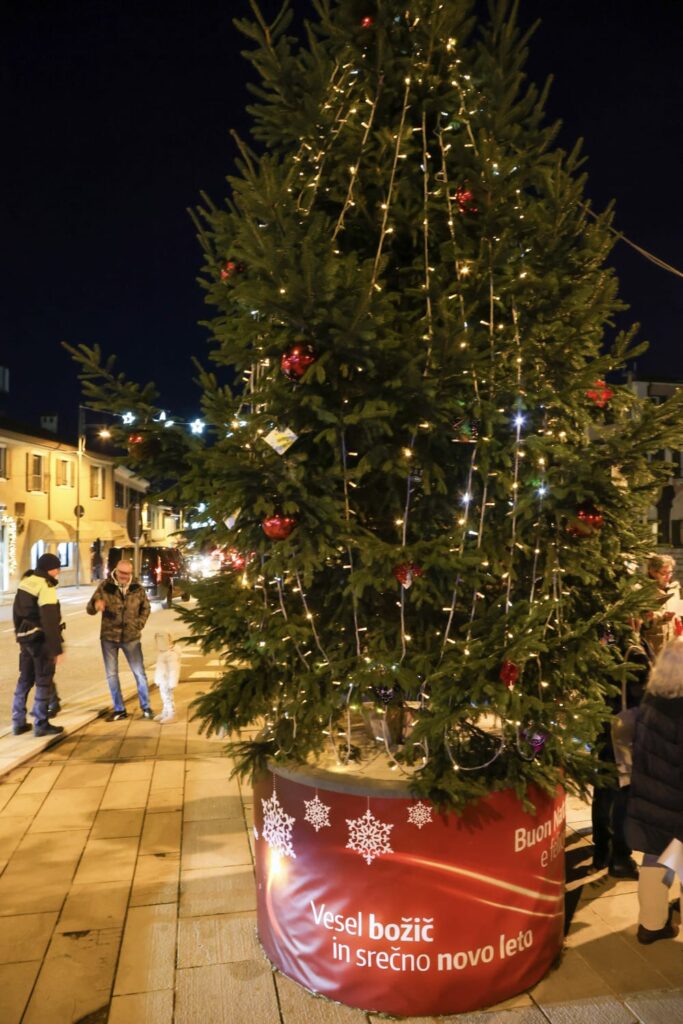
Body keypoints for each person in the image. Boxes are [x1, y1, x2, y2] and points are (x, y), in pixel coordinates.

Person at [626, 640, 683, 944]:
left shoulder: (652, 697)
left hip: (651, 794)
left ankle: (651, 924)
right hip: (676, 799)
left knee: (654, 858)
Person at [591, 623, 652, 878]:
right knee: (623, 793)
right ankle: (620, 856)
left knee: (604, 789)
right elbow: (644, 694)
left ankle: (601, 849)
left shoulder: (603, 646)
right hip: (624, 730)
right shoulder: (633, 651)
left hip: (604, 724)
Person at [87, 558, 154, 721]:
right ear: (116, 571)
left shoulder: (137, 588)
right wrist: (96, 605)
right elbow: (89, 608)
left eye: (127, 573)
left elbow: (146, 608)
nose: (124, 576)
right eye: (121, 573)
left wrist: (138, 624)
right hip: (109, 637)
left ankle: (146, 707)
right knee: (111, 674)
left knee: (139, 673)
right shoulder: (105, 586)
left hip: (131, 637)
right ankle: (119, 709)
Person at [11, 552, 65, 737]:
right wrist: (56, 649)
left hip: (25, 639)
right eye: (57, 568)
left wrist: (19, 636)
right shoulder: (45, 585)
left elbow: (16, 614)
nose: (58, 572)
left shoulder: (26, 582)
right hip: (40, 640)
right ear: (50, 569)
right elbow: (49, 620)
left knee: (25, 679)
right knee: (44, 680)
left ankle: (18, 722)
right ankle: (41, 723)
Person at [641, 554, 681, 657]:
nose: (668, 576)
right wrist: (662, 616)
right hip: (653, 643)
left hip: (673, 642)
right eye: (664, 573)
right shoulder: (642, 590)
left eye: (670, 572)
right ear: (652, 572)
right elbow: (641, 618)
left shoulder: (674, 588)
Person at [153, 631, 180, 723]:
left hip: (167, 681)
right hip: (163, 680)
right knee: (164, 697)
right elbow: (160, 668)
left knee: (168, 698)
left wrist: (172, 682)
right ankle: (165, 713)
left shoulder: (171, 654)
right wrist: (158, 679)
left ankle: (172, 715)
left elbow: (174, 670)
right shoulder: (162, 653)